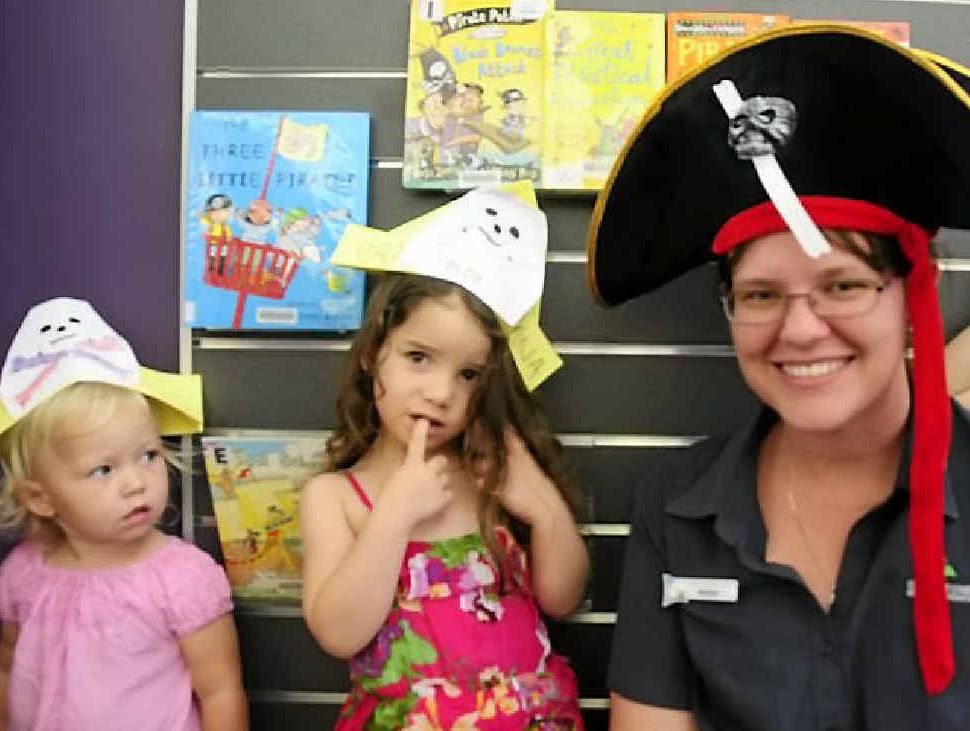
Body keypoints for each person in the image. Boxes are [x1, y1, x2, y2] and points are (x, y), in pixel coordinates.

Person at [585, 26, 970, 730]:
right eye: (761, 295)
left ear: (918, 291)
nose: (800, 330)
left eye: (843, 285)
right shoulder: (675, 508)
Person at [300, 184, 589, 729]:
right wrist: (395, 513)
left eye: (469, 374)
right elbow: (338, 632)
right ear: (372, 355)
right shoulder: (335, 497)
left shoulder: (492, 470)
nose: (440, 393)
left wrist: (545, 509)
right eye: (418, 357)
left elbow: (562, 598)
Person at [0, 297, 247, 730]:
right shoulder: (23, 574)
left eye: (148, 455)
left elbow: (221, 692)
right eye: (103, 470)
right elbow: (8, 668)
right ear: (41, 498)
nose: (135, 483)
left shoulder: (182, 579)